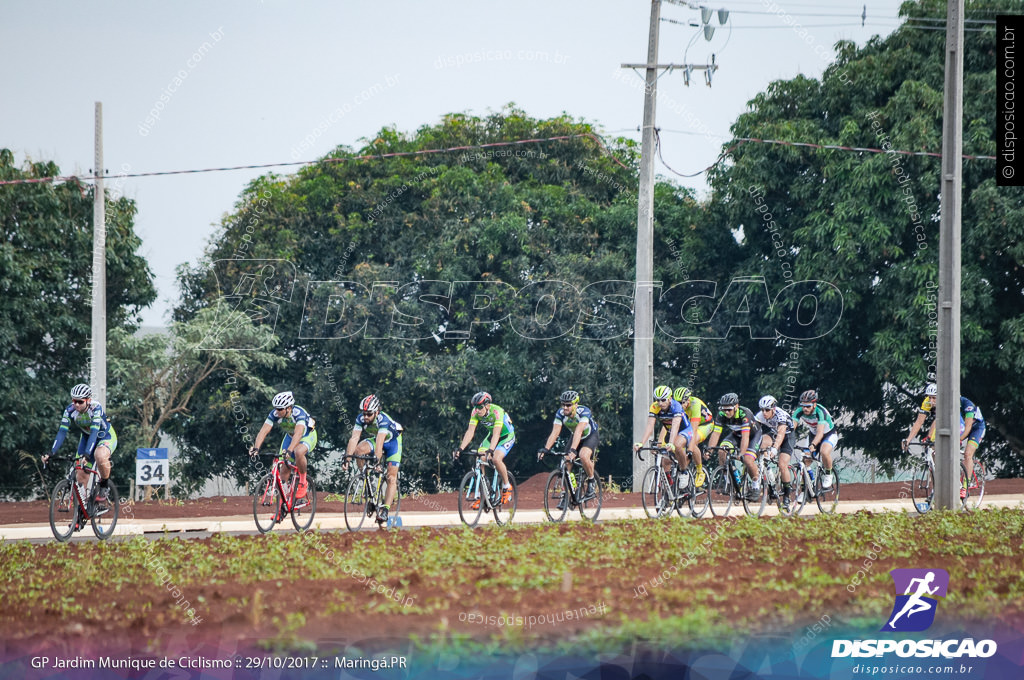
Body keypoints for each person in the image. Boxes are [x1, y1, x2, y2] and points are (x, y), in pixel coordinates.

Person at [902, 383, 985, 499]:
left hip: (974, 427)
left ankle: (965, 487)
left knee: (967, 454)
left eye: (934, 398)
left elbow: (967, 428)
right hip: (956, 425)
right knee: (934, 449)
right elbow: (920, 422)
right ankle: (936, 489)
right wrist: (909, 439)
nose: (931, 401)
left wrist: (958, 440)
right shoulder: (928, 402)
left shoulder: (964, 404)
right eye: (929, 397)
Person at [42, 383, 117, 505]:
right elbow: (62, 432)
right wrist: (52, 452)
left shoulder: (96, 408)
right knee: (80, 473)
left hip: (104, 436)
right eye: (74, 401)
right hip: (87, 438)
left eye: (80, 402)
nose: (76, 404)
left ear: (88, 400)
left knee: (99, 455)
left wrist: (87, 454)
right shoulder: (70, 410)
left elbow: (94, 432)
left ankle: (104, 486)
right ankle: (84, 508)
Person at [344, 394, 403, 525]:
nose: (365, 417)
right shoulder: (360, 419)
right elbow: (354, 438)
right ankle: (367, 477)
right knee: (359, 450)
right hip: (377, 440)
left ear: (376, 412)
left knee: (391, 477)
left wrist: (377, 460)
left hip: (393, 443)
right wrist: (347, 458)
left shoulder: (383, 420)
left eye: (369, 414)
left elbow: (380, 442)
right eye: (364, 413)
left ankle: (385, 510)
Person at [249, 391, 317, 503]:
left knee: (298, 451)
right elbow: (264, 431)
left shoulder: (299, 413)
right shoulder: (275, 414)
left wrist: (290, 451)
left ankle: (303, 481)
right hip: (290, 436)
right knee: (283, 467)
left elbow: (299, 434)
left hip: (307, 435)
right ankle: (282, 506)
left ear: (289, 408)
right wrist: (256, 448)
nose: (277, 411)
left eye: (280, 409)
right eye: (276, 408)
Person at [455, 392, 515, 507]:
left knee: (497, 459)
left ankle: (507, 486)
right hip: (492, 435)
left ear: (487, 405)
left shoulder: (497, 412)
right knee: (480, 457)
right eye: (475, 407)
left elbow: (497, 434)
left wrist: (491, 450)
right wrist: (460, 448)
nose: (477, 410)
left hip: (506, 436)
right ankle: (483, 495)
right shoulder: (475, 412)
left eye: (479, 407)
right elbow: (470, 431)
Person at [538, 390, 599, 503]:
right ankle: (567, 494)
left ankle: (591, 481)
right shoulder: (560, 414)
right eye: (563, 404)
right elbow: (555, 432)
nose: (565, 407)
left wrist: (573, 450)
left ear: (576, 404)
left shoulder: (584, 411)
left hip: (590, 435)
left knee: (583, 455)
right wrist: (546, 449)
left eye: (568, 405)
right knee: (566, 463)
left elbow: (579, 430)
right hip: (575, 436)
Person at [634, 385, 695, 493]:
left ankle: (684, 472)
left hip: (684, 430)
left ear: (670, 398)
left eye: (663, 400)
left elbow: (676, 425)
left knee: (676, 445)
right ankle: (670, 490)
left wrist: (671, 443)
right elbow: (650, 426)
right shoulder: (655, 407)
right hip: (671, 431)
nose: (660, 403)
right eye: (657, 400)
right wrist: (641, 443)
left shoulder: (676, 406)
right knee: (665, 461)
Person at [704, 393, 761, 500]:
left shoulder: (745, 414)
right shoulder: (721, 415)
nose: (726, 412)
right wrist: (710, 450)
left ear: (736, 406)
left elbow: (745, 437)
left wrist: (742, 454)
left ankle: (756, 486)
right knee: (722, 451)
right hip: (736, 434)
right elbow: (716, 433)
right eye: (723, 409)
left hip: (752, 436)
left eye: (729, 410)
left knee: (748, 460)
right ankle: (729, 481)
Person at [754, 395, 797, 510]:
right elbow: (753, 432)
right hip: (773, 433)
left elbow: (781, 433)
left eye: (767, 410)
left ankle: (787, 497)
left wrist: (774, 448)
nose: (764, 412)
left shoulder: (781, 415)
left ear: (773, 408)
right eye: (762, 409)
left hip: (788, 436)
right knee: (760, 443)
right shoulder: (759, 416)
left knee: (782, 464)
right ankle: (767, 471)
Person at [672, 386, 715, 487]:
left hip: (705, 424)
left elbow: (694, 430)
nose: (680, 405)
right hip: (689, 425)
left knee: (691, 440)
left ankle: (700, 471)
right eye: (677, 403)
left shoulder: (695, 404)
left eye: (682, 403)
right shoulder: (675, 406)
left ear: (688, 400)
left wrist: (690, 451)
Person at [795, 390, 837, 490]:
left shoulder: (820, 412)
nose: (805, 408)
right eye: (803, 406)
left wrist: (813, 445)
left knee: (824, 452)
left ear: (814, 404)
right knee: (805, 460)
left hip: (828, 434)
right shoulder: (799, 411)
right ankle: (807, 489)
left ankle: (828, 474)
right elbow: (792, 427)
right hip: (813, 434)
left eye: (808, 406)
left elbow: (820, 433)